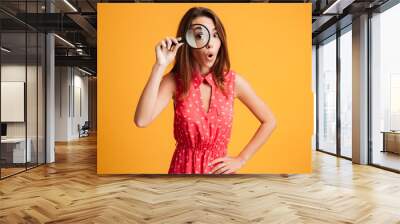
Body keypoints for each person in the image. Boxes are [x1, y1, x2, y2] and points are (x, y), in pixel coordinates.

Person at [134, 7, 276, 174]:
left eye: (215, 35)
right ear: (188, 42)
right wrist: (159, 65)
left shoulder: (232, 82)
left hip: (220, 175)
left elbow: (270, 121)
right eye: (200, 36)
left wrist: (241, 159)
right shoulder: (175, 81)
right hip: (182, 171)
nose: (210, 43)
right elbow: (142, 120)